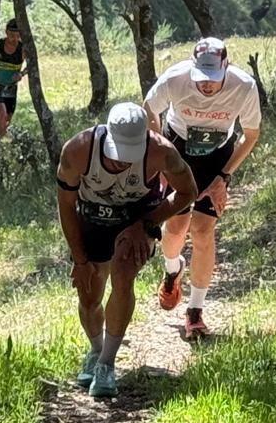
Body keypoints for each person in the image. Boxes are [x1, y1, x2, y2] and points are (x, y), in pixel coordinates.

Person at [56, 101, 198, 397]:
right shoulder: (78, 150)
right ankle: (96, 350)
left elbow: (188, 191)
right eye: (118, 154)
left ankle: (107, 363)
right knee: (89, 294)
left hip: (137, 219)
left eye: (130, 154)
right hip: (91, 217)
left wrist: (147, 223)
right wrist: (80, 261)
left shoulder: (162, 152)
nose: (123, 162)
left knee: (122, 276)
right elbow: (66, 205)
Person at [144, 36, 263, 338]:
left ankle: (195, 311)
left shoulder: (244, 86)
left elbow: (250, 135)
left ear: (226, 67)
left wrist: (223, 177)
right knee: (175, 229)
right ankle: (173, 269)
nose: (207, 85)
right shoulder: (175, 78)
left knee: (202, 230)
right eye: (201, 77)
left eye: (213, 78)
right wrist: (161, 159)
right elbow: (148, 108)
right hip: (178, 152)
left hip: (216, 157)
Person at [0, 19, 26, 139]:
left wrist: (22, 73)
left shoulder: (22, 49)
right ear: (6, 32)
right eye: (11, 35)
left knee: (6, 121)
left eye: (17, 36)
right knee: (1, 115)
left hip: (10, 88)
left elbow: (32, 65)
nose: (14, 39)